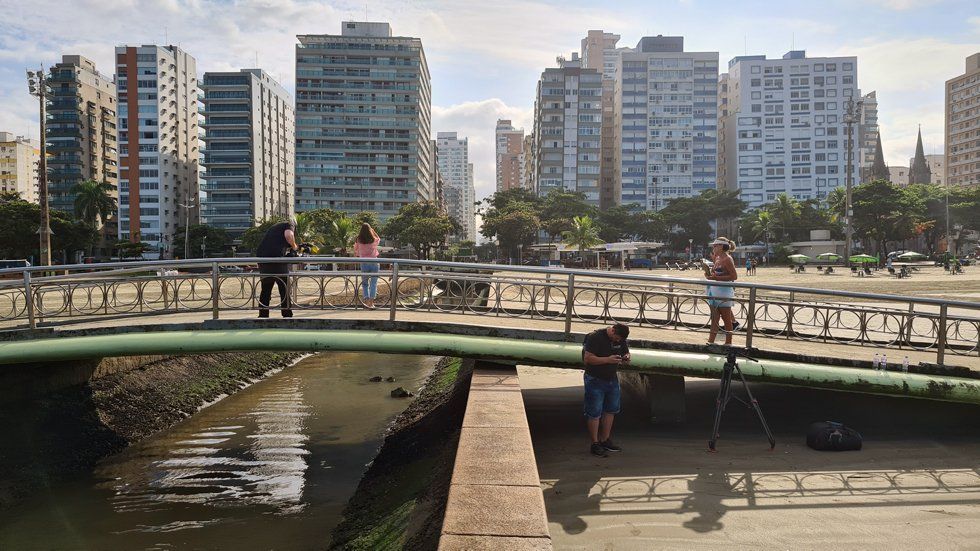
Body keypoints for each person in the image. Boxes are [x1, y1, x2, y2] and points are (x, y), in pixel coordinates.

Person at [582, 323, 631, 457]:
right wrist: (607, 360)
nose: (618, 341)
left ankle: (605, 439)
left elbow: (625, 351)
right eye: (616, 338)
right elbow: (587, 359)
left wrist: (626, 357)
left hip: (612, 379)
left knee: (611, 409)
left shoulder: (621, 339)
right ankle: (595, 443)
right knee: (594, 412)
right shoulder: (595, 337)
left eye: (620, 340)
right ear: (612, 330)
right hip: (595, 379)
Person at [256, 218, 299, 318]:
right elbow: (289, 235)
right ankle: (287, 314)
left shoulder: (275, 228)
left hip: (263, 259)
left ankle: (263, 315)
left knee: (266, 289)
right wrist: (294, 246)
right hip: (275, 258)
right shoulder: (290, 223)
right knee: (284, 287)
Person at [706, 237, 738, 345]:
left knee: (726, 319)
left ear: (721, 246)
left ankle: (728, 343)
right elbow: (715, 273)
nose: (713, 248)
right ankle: (711, 341)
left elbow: (734, 276)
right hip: (714, 290)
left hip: (724, 292)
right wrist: (709, 275)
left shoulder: (728, 259)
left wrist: (716, 278)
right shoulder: (718, 258)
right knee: (714, 318)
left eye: (715, 246)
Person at [353, 223, 381, 309]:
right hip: (374, 262)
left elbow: (355, 249)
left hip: (363, 262)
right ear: (370, 230)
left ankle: (366, 301)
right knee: (373, 283)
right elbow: (378, 238)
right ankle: (371, 303)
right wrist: (373, 231)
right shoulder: (373, 239)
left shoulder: (359, 239)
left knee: (365, 283)